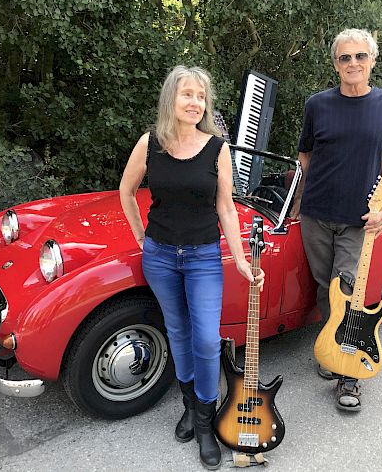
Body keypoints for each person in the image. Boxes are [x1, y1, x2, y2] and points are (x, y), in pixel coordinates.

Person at [119, 65, 264, 469]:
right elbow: (126, 191)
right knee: (178, 333)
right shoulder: (151, 143)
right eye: (187, 94)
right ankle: (189, 407)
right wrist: (140, 240)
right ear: (171, 98)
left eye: (201, 96)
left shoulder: (217, 148)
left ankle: (205, 419)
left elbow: (226, 206)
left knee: (205, 338)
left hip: (202, 257)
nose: (195, 102)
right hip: (160, 256)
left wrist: (239, 259)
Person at [291, 29, 382, 411]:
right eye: (344, 58)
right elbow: (305, 155)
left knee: (350, 290)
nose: (352, 63)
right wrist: (301, 201)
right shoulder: (317, 105)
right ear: (335, 64)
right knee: (326, 288)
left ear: (372, 60)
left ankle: (350, 374)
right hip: (316, 215)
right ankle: (331, 352)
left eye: (360, 56)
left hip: (361, 220)